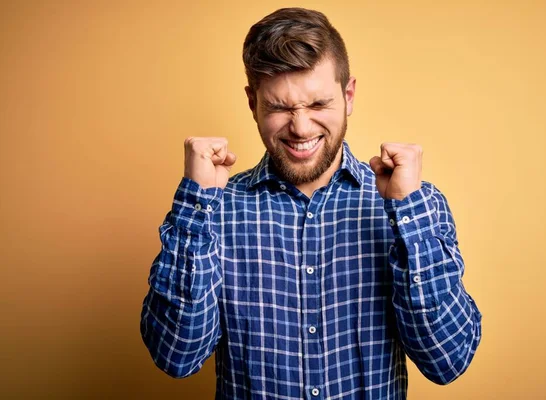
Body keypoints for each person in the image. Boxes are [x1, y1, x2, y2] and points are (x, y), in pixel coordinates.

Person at [140, 7, 482, 399]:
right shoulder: (214, 210)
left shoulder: (415, 206)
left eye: (318, 105)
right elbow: (175, 357)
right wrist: (196, 206)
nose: (301, 127)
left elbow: (448, 362)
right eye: (280, 107)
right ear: (253, 104)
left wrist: (409, 215)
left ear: (348, 95)